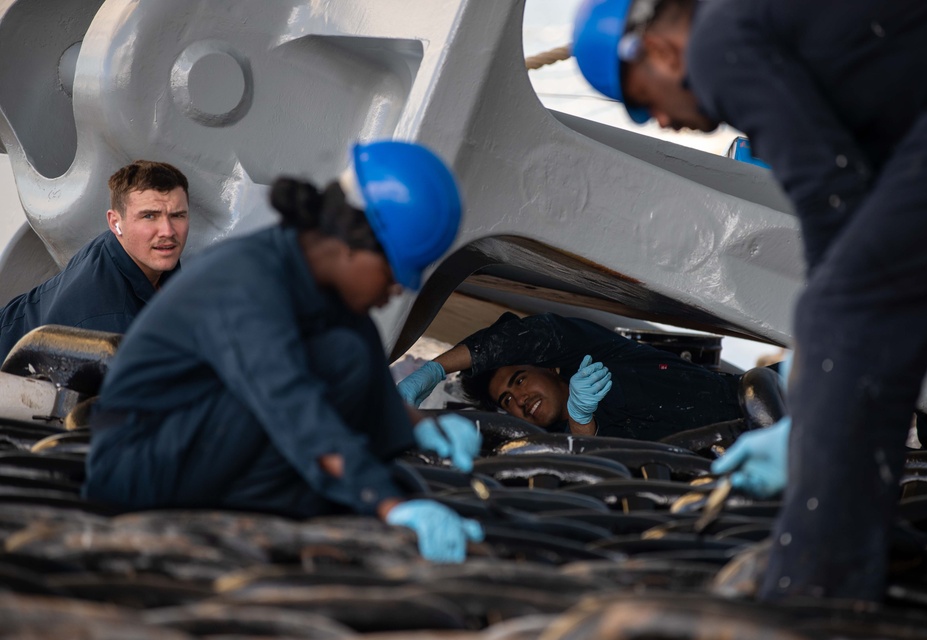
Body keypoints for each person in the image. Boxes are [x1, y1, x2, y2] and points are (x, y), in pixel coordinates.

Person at [573, 0, 927, 600]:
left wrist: (810, 406)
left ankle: (817, 593)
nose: (661, 124)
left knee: (839, 311)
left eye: (644, 103)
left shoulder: (718, 43)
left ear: (659, 52)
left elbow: (833, 198)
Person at [83, 141, 484, 563]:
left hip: (203, 445)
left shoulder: (311, 272)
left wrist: (422, 426)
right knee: (327, 375)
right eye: (395, 274)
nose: (397, 290)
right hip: (140, 469)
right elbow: (291, 403)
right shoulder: (247, 284)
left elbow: (362, 364)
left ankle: (322, 501)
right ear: (351, 247)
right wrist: (390, 504)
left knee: (349, 349)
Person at [398, 311, 747, 440]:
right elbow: (592, 458)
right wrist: (582, 420)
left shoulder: (604, 355)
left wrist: (436, 368)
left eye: (519, 380)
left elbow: (536, 334)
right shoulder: (559, 445)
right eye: (507, 400)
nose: (518, 399)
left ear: (550, 366)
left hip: (765, 398)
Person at [0, 160, 190, 358]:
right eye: (149, 216)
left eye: (177, 215)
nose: (167, 231)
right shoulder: (108, 324)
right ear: (115, 223)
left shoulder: (126, 248)